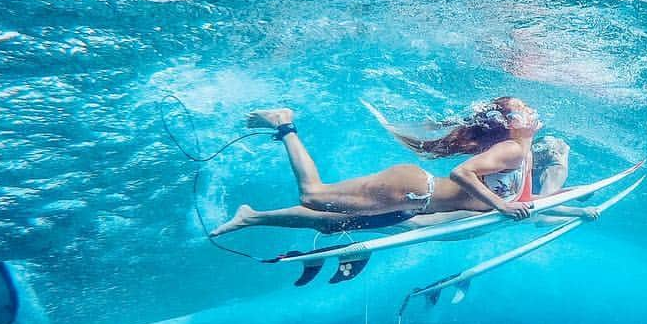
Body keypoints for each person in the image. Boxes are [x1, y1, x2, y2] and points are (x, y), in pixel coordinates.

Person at [212, 97, 578, 237]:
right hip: (410, 191)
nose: (536, 114)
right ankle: (283, 122)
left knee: (329, 220)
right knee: (313, 196)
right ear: (517, 124)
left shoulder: (523, 154)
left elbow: (533, 203)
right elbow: (460, 173)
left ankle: (251, 217)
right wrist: (502, 206)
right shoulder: (513, 150)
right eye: (528, 112)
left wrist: (572, 204)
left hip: (414, 198)